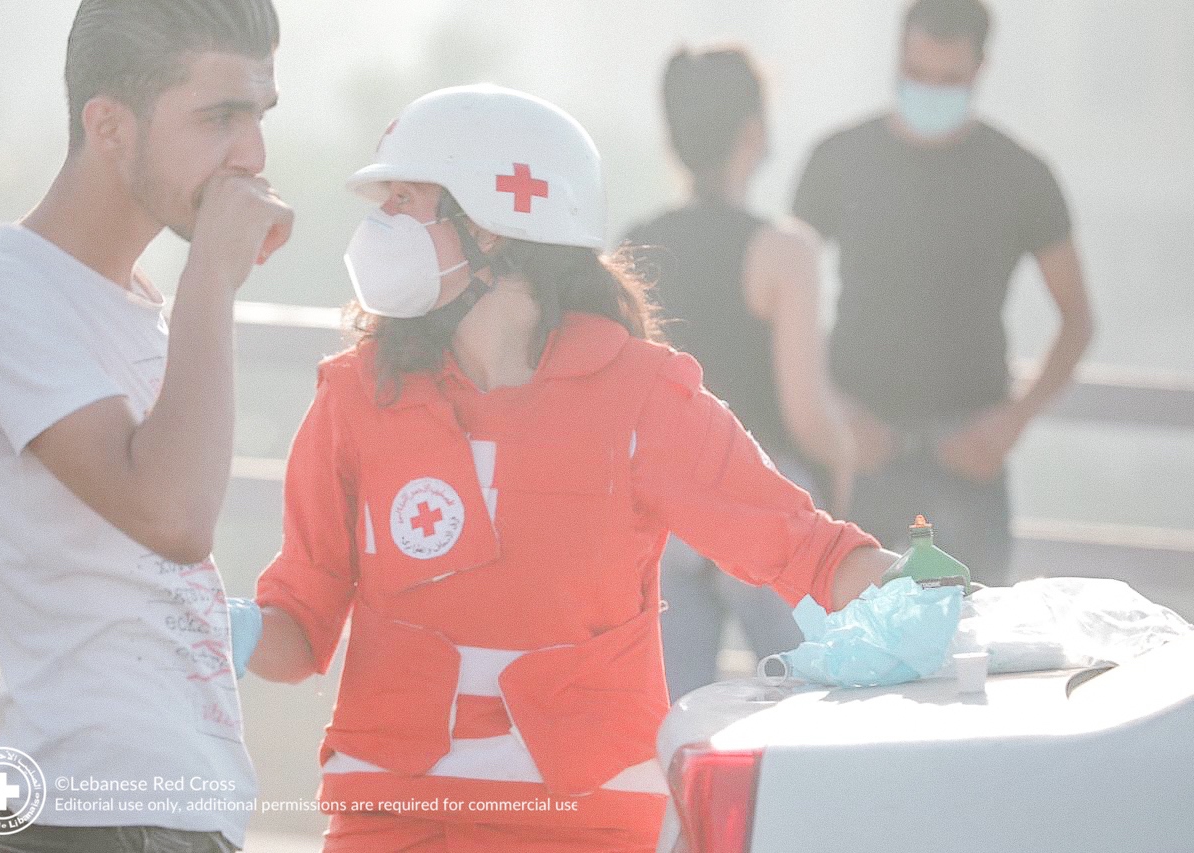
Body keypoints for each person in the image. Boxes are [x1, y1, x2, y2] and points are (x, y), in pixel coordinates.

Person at [244, 84, 898, 853]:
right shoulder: (356, 396)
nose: (380, 224)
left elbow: (808, 551)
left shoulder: (641, 397)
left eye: (406, 199)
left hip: (586, 821)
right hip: (390, 815)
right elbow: (301, 626)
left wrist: (938, 599)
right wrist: (215, 623)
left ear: (490, 224)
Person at [0, 1, 291, 851]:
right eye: (218, 116)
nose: (253, 155)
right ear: (109, 127)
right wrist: (211, 276)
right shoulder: (1, 292)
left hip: (167, 816)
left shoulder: (139, 307)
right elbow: (173, 517)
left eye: (260, 116)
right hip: (86, 814)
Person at [793, 0, 1093, 585]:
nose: (930, 89)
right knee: (846, 633)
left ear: (980, 68)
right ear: (896, 58)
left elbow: (1077, 319)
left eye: (948, 78)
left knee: (976, 634)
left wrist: (1010, 423)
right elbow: (785, 303)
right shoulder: (837, 160)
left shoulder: (1021, 174)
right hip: (858, 454)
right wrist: (833, 411)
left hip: (970, 458)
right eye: (917, 73)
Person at [625, 46, 856, 700]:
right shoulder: (786, 250)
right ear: (753, 132)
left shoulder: (634, 248)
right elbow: (807, 415)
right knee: (810, 709)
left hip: (668, 512)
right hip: (762, 506)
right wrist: (845, 462)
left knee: (675, 722)